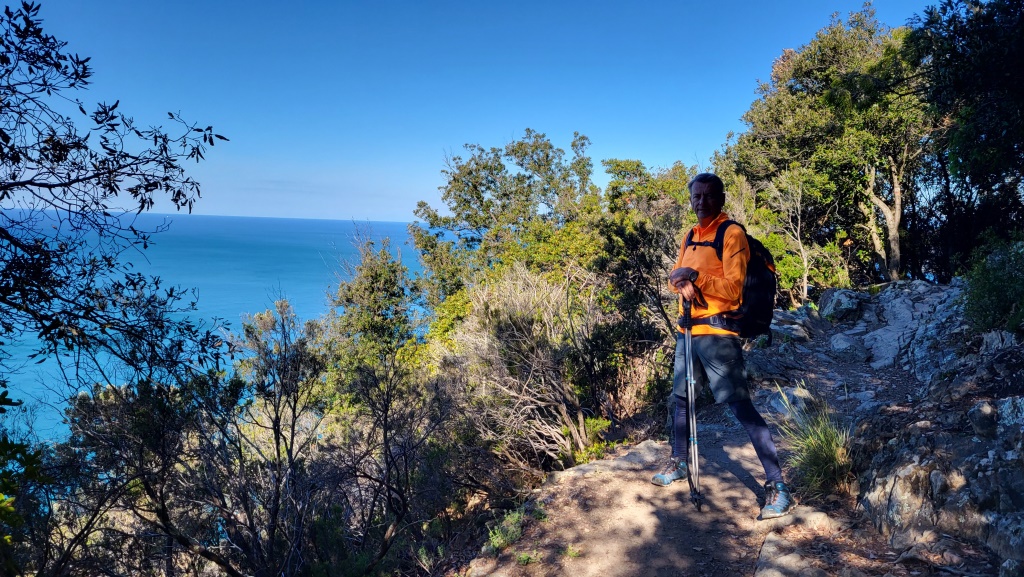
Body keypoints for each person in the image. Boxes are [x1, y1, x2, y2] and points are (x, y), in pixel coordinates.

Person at [651, 172, 794, 520]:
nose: (701, 201)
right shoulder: (690, 235)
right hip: (687, 330)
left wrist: (694, 276)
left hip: (717, 333)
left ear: (721, 199)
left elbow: (733, 289)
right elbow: (675, 277)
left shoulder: (731, 234)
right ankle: (679, 461)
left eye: (708, 195)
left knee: (739, 406)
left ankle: (777, 485)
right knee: (681, 400)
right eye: (696, 196)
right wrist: (680, 280)